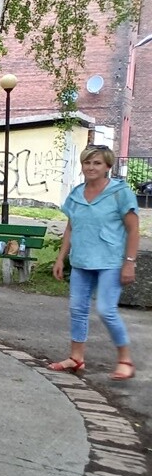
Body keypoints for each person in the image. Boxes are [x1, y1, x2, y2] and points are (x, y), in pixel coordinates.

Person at [49, 146, 140, 380]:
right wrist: (61, 258)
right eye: (87, 163)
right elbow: (71, 227)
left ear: (108, 166)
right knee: (77, 309)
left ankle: (125, 360)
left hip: (111, 261)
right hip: (81, 260)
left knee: (106, 310)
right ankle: (76, 357)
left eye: (97, 163)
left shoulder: (120, 193)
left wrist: (130, 262)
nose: (91, 167)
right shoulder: (76, 194)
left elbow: (133, 229)